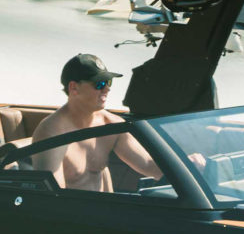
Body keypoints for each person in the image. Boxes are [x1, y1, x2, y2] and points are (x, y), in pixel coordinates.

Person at [30, 54, 164, 191]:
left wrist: (184, 166)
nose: (107, 89)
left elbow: (148, 165)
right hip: (73, 210)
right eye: (99, 84)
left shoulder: (111, 125)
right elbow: (52, 195)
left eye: (108, 82)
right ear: (74, 87)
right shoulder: (52, 132)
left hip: (107, 208)